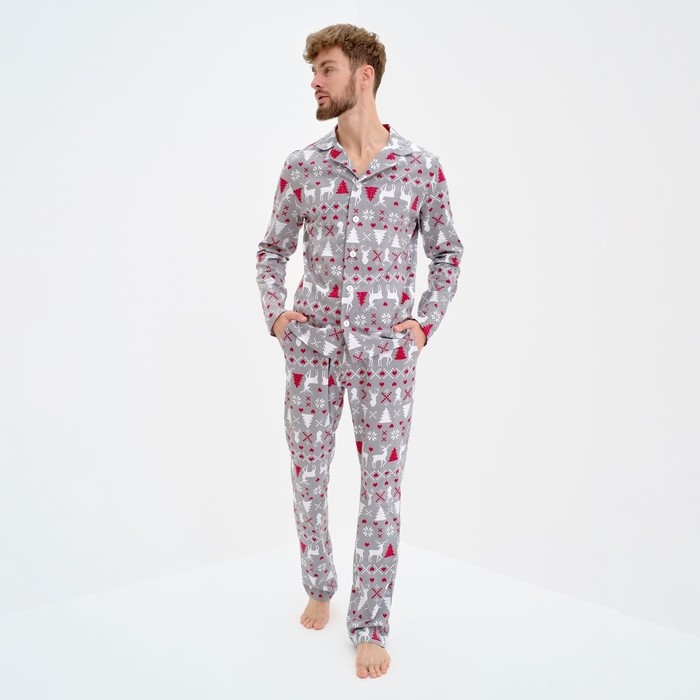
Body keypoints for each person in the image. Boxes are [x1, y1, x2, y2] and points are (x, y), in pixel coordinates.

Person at [255, 23, 463, 679]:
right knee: (308, 478)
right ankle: (320, 581)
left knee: (381, 489)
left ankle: (369, 624)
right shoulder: (303, 165)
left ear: (363, 75)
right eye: (314, 70)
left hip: (385, 357)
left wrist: (422, 325)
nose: (314, 82)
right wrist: (279, 317)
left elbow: (447, 253)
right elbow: (271, 250)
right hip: (312, 350)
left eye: (326, 68)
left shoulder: (419, 167)